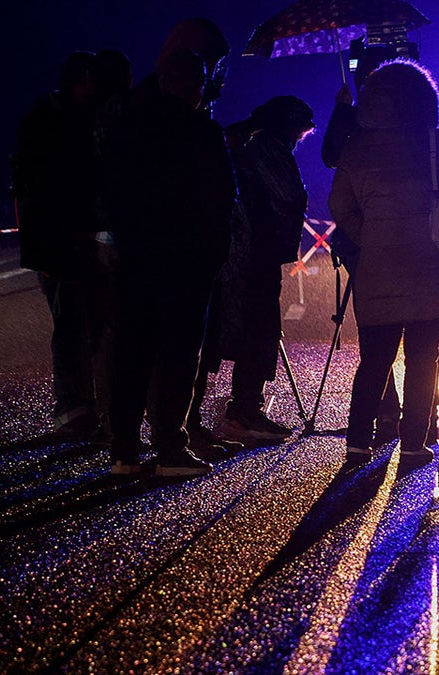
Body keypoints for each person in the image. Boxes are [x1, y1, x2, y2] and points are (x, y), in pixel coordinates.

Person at [328, 59, 439, 463]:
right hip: (429, 263)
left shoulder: (356, 145)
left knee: (374, 359)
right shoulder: (431, 141)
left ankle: (358, 441)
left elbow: (338, 203)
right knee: (422, 357)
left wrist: (370, 236)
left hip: (377, 267)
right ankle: (414, 443)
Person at [101, 37, 236, 477]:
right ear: (197, 87)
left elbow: (107, 190)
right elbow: (221, 198)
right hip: (187, 258)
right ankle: (170, 447)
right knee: (178, 354)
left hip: (136, 255)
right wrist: (216, 253)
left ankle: (123, 448)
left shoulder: (129, 128)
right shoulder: (203, 132)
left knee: (131, 350)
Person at [192, 96, 315, 445]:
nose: (300, 139)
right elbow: (290, 196)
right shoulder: (268, 149)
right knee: (254, 332)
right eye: (301, 132)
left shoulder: (248, 144)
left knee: (227, 333)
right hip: (251, 256)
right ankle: (242, 411)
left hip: (238, 255)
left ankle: (217, 413)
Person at [13, 51, 112, 443]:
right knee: (72, 325)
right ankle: (74, 410)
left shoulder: (85, 116)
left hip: (86, 237)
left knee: (95, 326)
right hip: (60, 242)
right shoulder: (47, 119)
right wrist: (41, 250)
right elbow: (31, 189)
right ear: (78, 79)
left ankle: (90, 408)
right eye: (90, 81)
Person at [321, 42, 404, 446]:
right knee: (403, 329)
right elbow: (331, 156)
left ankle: (386, 416)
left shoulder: (364, 119)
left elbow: (331, 158)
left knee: (378, 329)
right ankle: (399, 414)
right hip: (380, 236)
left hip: (364, 237)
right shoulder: (403, 115)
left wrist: (343, 110)